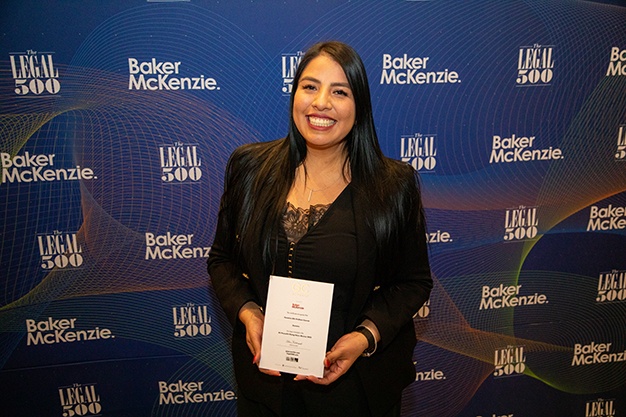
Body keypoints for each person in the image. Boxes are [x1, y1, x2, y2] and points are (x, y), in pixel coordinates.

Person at [207, 40, 432, 417]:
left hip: (355, 391)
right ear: (295, 94)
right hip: (266, 389)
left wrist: (365, 337)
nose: (321, 102)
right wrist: (248, 313)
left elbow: (413, 282)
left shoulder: (393, 186)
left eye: (339, 91)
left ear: (359, 106)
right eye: (310, 86)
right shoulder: (249, 169)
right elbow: (222, 260)